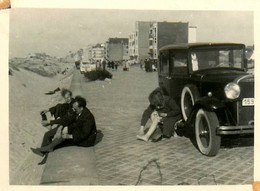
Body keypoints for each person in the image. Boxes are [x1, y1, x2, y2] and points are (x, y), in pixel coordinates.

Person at [31, 96, 97, 157]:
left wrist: (69, 136)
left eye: (75, 109)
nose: (73, 110)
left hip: (86, 140)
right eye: (73, 108)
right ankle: (44, 151)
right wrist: (60, 127)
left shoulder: (88, 118)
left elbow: (84, 134)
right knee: (48, 134)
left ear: (81, 108)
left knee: (61, 139)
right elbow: (67, 119)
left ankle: (48, 148)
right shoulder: (77, 110)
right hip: (76, 129)